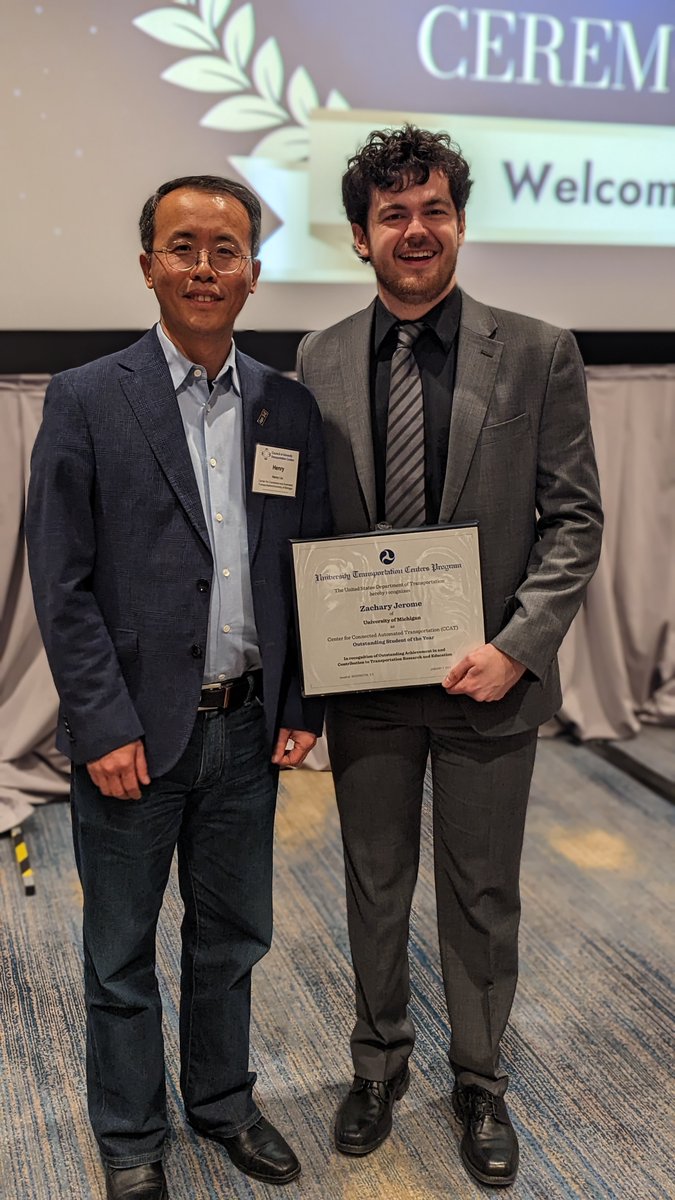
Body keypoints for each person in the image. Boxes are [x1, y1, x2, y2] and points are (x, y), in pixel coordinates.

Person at [296, 126, 602, 1188]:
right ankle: (377, 1066)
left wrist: (518, 649)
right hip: (369, 686)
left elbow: (573, 523)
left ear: (460, 223)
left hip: (490, 685)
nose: (415, 230)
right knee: (374, 884)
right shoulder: (320, 357)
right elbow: (312, 527)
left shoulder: (539, 350)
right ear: (360, 237)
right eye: (393, 215)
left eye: (433, 210)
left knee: (481, 892)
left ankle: (479, 1080)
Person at [26, 175, 331, 1200]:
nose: (206, 267)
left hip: (244, 729)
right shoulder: (86, 396)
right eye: (183, 246)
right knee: (120, 953)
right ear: (148, 264)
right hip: (132, 737)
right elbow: (60, 582)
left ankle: (222, 1102)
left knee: (234, 935)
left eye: (226, 249)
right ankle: (129, 1138)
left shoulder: (287, 405)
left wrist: (299, 705)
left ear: (255, 272)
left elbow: (303, 565)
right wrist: (100, 722)